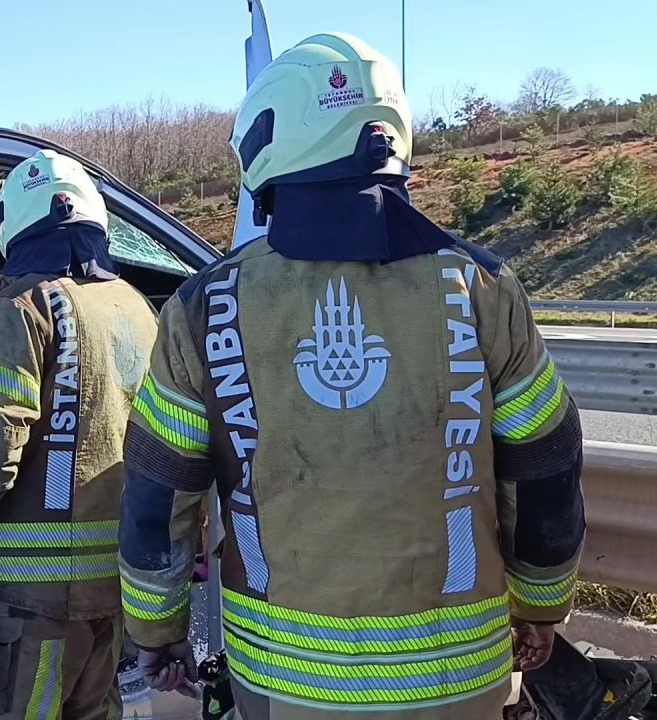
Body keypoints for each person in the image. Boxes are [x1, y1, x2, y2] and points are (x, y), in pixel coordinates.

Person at [117, 32, 586, 720]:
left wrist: (156, 632)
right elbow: (546, 466)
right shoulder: (482, 287)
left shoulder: (204, 307)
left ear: (271, 140)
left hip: (286, 685)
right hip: (462, 680)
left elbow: (158, 500)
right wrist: (543, 604)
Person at [0, 149, 160, 719]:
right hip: (112, 594)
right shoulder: (136, 309)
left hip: (31, 605)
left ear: (14, 228)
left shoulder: (23, 307)